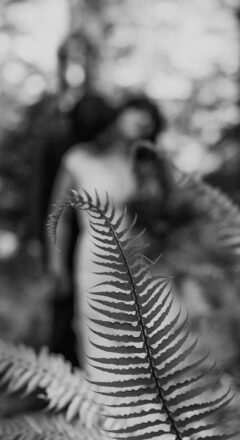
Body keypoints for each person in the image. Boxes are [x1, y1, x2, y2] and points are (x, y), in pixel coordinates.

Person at [46, 93, 165, 371]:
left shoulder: (142, 162)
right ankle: (102, 410)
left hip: (139, 263)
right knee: (98, 342)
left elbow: (161, 216)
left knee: (141, 347)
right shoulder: (77, 159)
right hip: (95, 259)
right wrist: (55, 264)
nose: (141, 121)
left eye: (147, 121)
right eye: (135, 111)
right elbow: (58, 216)